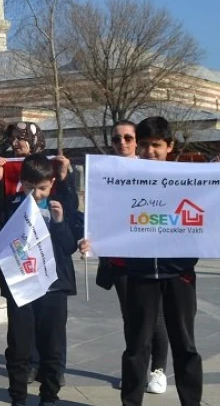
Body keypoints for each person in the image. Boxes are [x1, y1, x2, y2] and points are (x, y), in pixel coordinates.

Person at [118, 116, 220, 406]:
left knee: (185, 345)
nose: (149, 151)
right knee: (136, 346)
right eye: (143, 145)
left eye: (156, 145)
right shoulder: (121, 178)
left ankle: (191, 402)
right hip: (140, 273)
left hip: (179, 272)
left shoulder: (188, 179)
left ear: (169, 146)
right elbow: (107, 216)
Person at [0, 153, 82, 406]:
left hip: (54, 286)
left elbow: (70, 246)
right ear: (22, 183)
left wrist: (60, 223)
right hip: (22, 286)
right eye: (30, 188)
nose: (36, 194)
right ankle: (17, 397)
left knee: (52, 346)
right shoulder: (11, 204)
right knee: (19, 346)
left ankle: (48, 397)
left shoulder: (61, 204)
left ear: (51, 182)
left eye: (42, 188)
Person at [95, 120, 170, 395]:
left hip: (152, 256)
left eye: (128, 137)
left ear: (137, 140)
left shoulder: (151, 166)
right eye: (117, 139)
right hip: (120, 260)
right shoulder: (102, 173)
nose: (123, 143)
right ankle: (135, 371)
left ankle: (158, 368)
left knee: (157, 316)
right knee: (132, 318)